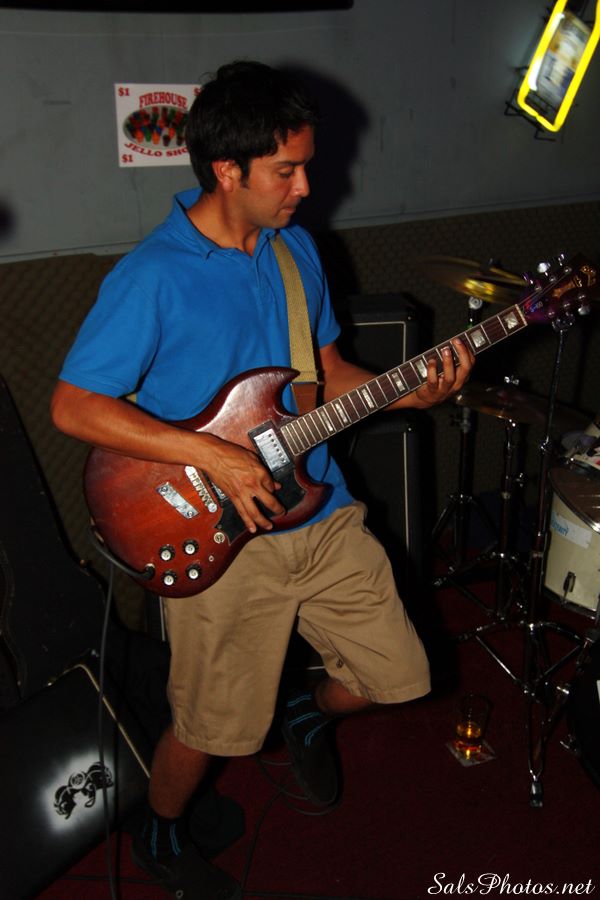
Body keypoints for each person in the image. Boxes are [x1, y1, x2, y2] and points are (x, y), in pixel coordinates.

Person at [51, 60, 475, 899]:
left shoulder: (295, 252)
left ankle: (308, 709)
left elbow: (327, 376)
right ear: (227, 170)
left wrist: (410, 390)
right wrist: (213, 455)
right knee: (210, 729)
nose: (306, 187)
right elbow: (72, 405)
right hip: (222, 539)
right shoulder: (152, 275)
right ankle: (162, 833)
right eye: (287, 171)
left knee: (400, 674)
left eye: (306, 166)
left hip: (321, 512)